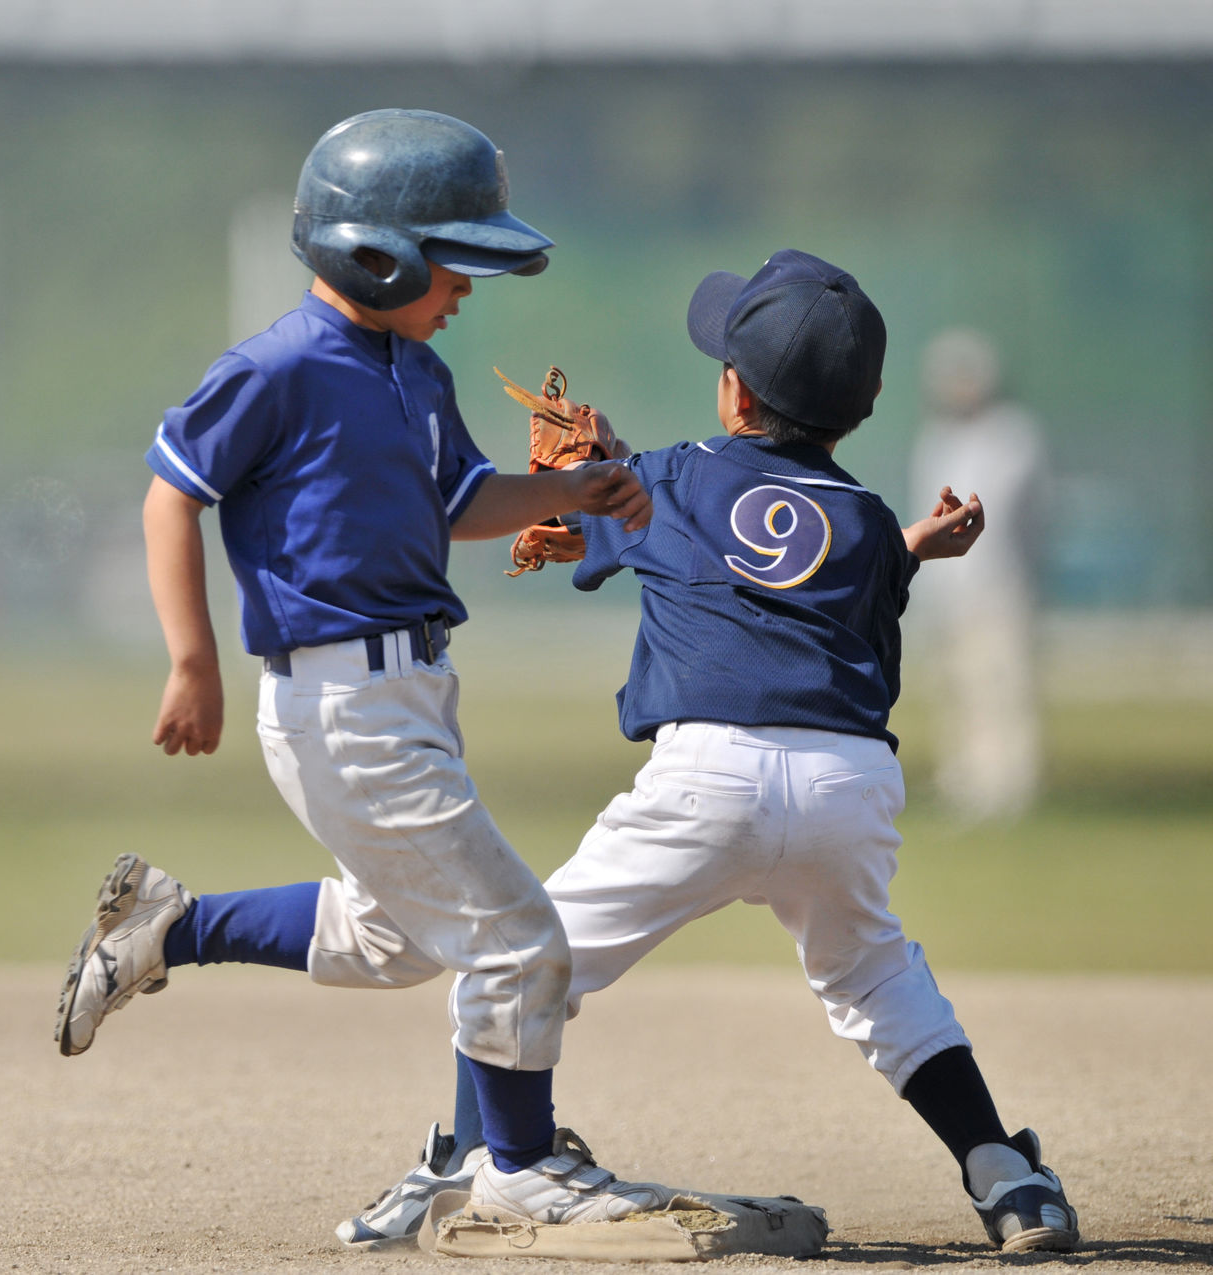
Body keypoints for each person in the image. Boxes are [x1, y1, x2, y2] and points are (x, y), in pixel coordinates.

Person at [340, 250, 1080, 1255]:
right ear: (861, 410)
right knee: (874, 979)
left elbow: (619, 516)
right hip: (845, 785)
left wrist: (595, 471)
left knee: (517, 959)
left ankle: (473, 1160)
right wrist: (911, 545)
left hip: (707, 781)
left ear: (733, 392)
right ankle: (1007, 1176)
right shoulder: (867, 523)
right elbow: (800, 570)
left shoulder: (672, 475)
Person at [52, 109, 666, 1235]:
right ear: (375, 256)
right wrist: (193, 660)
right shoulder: (274, 368)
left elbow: (463, 502)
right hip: (341, 697)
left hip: (411, 691)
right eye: (453, 262)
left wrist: (572, 492)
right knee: (520, 939)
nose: (466, 287)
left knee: (392, 942)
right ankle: (520, 1167)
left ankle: (167, 929)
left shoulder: (417, 370)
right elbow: (171, 495)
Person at [909, 329, 1050, 821]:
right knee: (955, 686)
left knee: (1001, 685)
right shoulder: (937, 438)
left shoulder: (1013, 436)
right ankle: (964, 782)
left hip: (998, 582)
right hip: (946, 586)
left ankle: (1008, 787)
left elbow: (1025, 515)